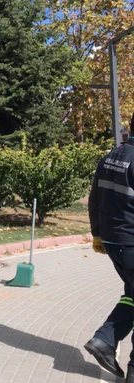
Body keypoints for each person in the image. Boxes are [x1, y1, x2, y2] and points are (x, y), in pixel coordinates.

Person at [86, 114, 134, 380]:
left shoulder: (111, 157)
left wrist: (98, 235)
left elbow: (94, 199)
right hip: (132, 241)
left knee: (132, 294)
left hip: (115, 242)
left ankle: (104, 340)